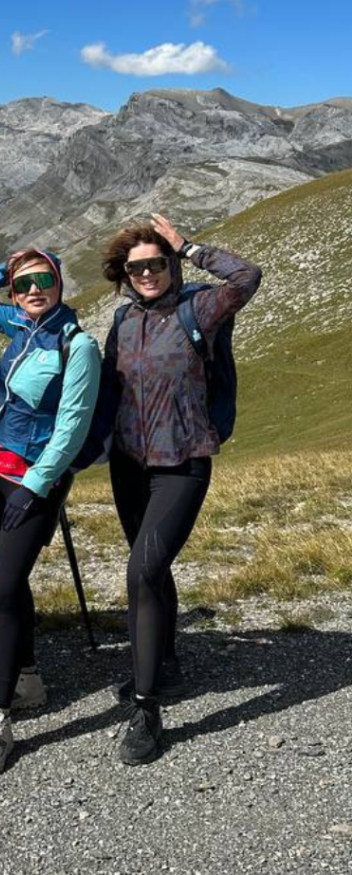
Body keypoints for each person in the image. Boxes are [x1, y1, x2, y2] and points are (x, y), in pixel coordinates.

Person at [100, 213, 261, 765]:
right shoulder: (121, 321)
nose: (147, 272)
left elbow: (247, 277)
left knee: (141, 571)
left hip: (183, 462)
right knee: (153, 569)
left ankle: (146, 709)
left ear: (169, 266)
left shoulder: (199, 309)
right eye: (136, 267)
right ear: (124, 274)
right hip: (128, 464)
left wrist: (189, 247)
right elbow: (104, 394)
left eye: (156, 263)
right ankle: (163, 665)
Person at [0, 250, 100, 775]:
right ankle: (28, 680)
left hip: (30, 481)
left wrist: (37, 486)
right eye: (24, 285)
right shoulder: (18, 320)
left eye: (44, 281)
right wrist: (5, 266)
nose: (33, 290)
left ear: (61, 283)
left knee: (1, 586)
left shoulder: (77, 344)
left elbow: (73, 425)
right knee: (11, 584)